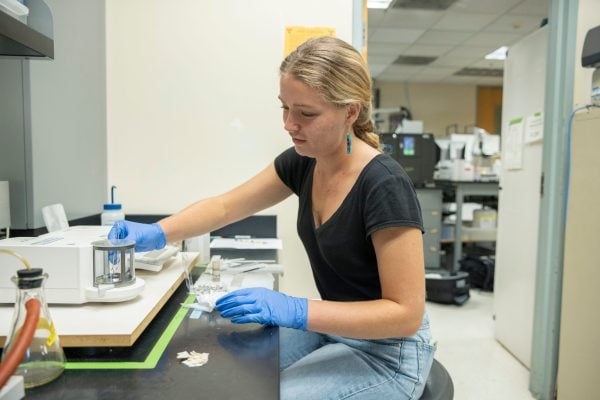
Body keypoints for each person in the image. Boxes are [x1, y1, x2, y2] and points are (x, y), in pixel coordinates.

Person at [109, 36, 435, 399]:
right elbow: (225, 207)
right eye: (285, 108)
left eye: (306, 113)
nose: (289, 124)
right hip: (334, 329)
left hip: (389, 353)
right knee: (223, 369)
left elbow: (406, 313)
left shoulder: (384, 184)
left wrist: (296, 309)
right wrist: (158, 232)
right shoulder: (304, 161)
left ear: (351, 112)